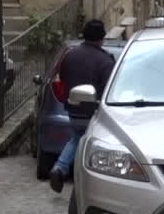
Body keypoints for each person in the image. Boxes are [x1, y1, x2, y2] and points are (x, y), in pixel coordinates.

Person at [49, 19, 115, 194]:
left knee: (77, 138)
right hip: (95, 113)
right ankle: (90, 182)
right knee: (94, 145)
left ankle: (60, 168)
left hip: (73, 110)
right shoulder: (105, 60)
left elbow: (61, 78)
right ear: (102, 37)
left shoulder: (70, 55)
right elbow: (111, 88)